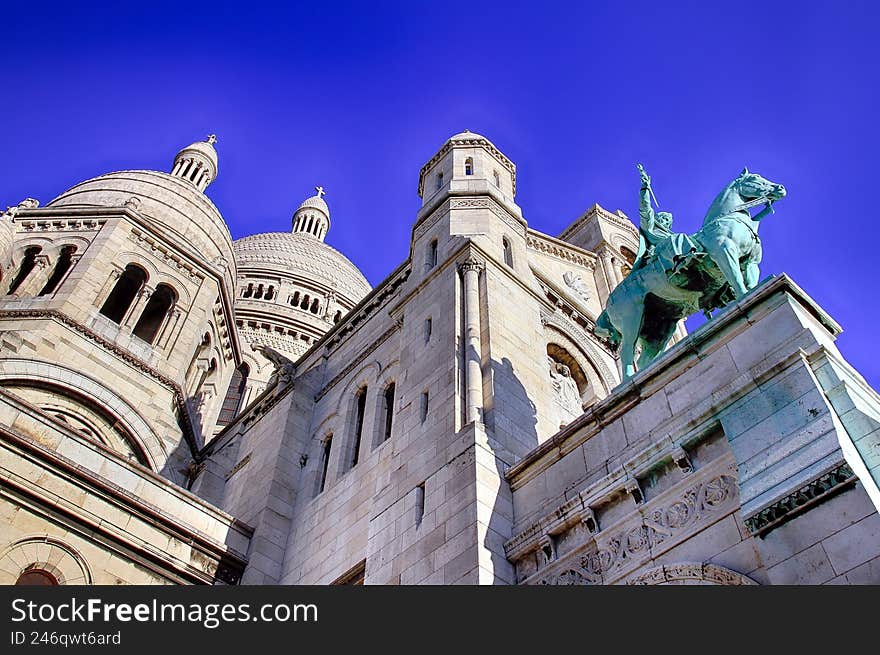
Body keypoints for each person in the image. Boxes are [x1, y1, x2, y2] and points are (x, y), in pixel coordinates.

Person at [633, 166, 700, 275]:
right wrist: (645, 189)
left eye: (668, 221)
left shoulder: (671, 234)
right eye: (663, 218)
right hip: (658, 252)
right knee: (677, 238)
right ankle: (679, 262)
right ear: (657, 218)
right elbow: (645, 208)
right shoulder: (650, 226)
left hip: (675, 246)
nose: (665, 222)